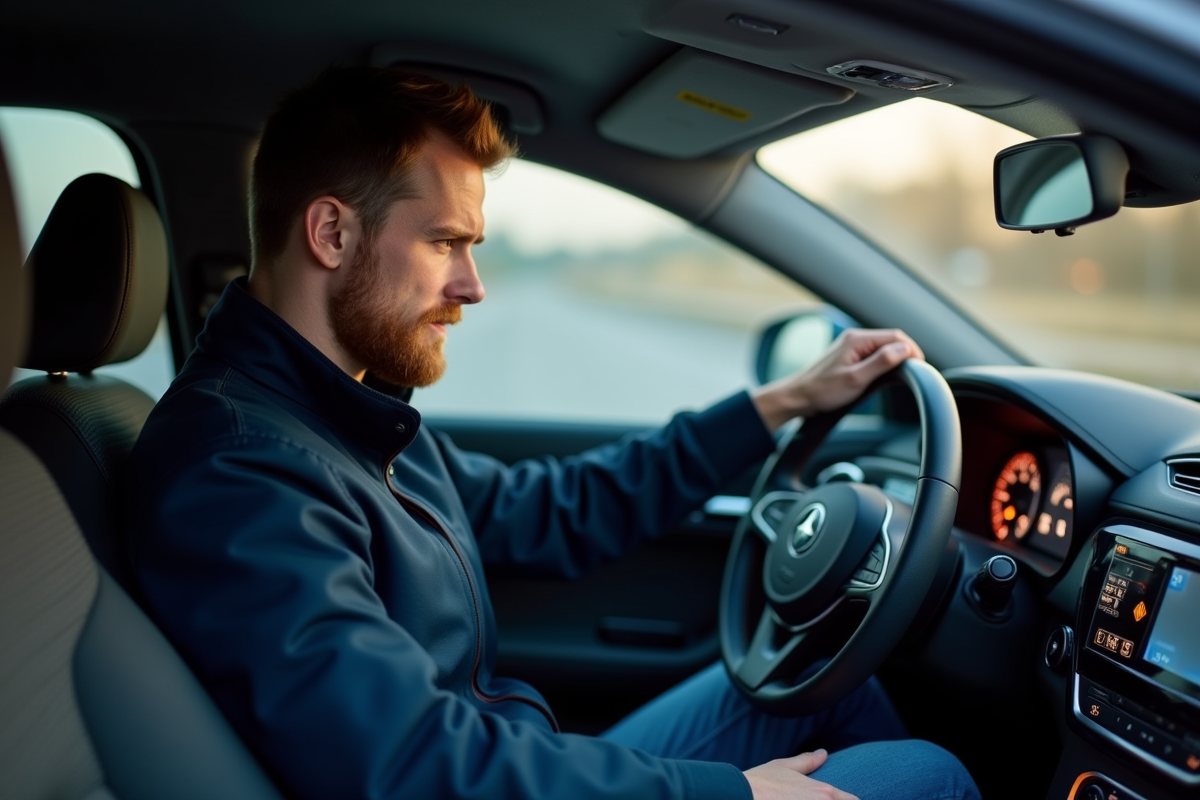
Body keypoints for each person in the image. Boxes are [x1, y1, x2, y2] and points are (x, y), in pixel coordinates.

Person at [125, 67, 980, 800]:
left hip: (509, 760)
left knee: (817, 691)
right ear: (331, 232)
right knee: (924, 773)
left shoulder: (349, 417)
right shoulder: (238, 471)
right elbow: (410, 763)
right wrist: (733, 793)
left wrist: (783, 403)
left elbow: (559, 508)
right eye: (445, 243)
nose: (472, 285)